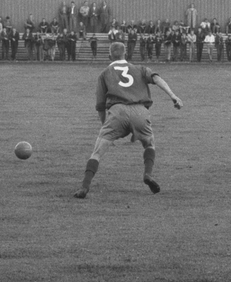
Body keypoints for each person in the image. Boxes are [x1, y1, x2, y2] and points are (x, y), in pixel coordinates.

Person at [74, 41, 183, 199]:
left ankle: (84, 187)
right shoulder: (139, 69)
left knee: (97, 152)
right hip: (140, 112)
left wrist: (105, 126)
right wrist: (173, 96)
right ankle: (147, 175)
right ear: (126, 54)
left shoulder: (104, 73)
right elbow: (157, 78)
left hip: (117, 112)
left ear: (109, 55)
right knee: (149, 143)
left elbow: (100, 105)